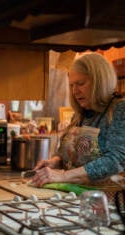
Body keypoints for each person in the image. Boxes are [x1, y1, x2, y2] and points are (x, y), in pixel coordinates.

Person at [32, 52, 125, 187]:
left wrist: (63, 176)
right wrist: (55, 161)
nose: (75, 91)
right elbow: (69, 152)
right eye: (71, 85)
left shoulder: (119, 109)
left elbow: (116, 160)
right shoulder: (80, 113)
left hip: (104, 200)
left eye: (80, 83)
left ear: (100, 81)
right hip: (74, 195)